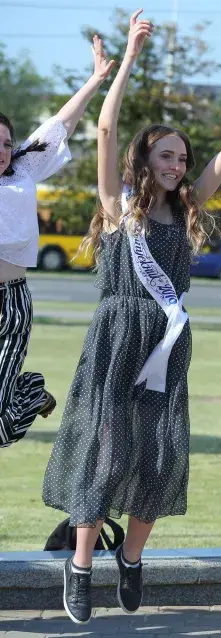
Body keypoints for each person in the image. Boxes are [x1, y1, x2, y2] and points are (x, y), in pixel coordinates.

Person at [41, 11, 221, 625]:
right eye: (166, 155)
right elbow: (108, 126)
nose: (176, 164)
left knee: (161, 457)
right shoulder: (116, 206)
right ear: (147, 158)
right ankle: (82, 567)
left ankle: (132, 559)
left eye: (181, 157)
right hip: (115, 337)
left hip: (167, 342)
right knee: (104, 455)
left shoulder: (190, 207)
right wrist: (128, 60)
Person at [0, 35, 115, 447]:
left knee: (3, 430)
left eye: (7, 143)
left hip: (11, 301)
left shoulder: (22, 173)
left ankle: (29, 389)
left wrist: (96, 79)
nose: (2, 151)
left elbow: (60, 126)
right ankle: (27, 393)